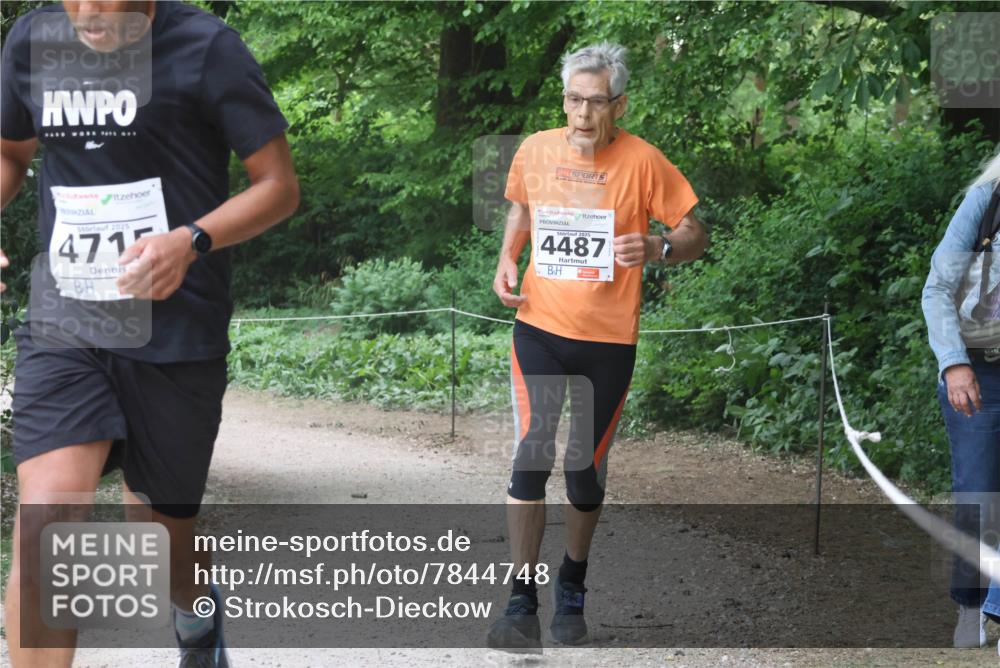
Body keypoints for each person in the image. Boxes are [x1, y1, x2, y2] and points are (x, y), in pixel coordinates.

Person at [0, 2, 299, 667]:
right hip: (68, 316)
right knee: (46, 524)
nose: (85, 13)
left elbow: (278, 186)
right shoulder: (34, 38)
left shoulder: (206, 47)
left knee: (163, 542)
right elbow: (10, 153)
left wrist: (193, 240)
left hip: (177, 326)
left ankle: (196, 619)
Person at [486, 42, 707, 651]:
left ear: (619, 104)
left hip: (608, 340)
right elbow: (520, 210)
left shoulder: (643, 161)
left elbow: (694, 231)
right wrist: (508, 257)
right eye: (574, 100)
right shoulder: (535, 149)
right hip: (539, 327)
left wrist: (661, 249)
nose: (583, 113)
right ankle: (520, 598)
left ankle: (573, 581)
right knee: (531, 454)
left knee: (583, 469)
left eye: (596, 102)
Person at [922, 150, 1000, 654]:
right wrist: (954, 362)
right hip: (978, 369)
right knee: (979, 493)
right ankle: (972, 606)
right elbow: (937, 289)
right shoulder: (985, 202)